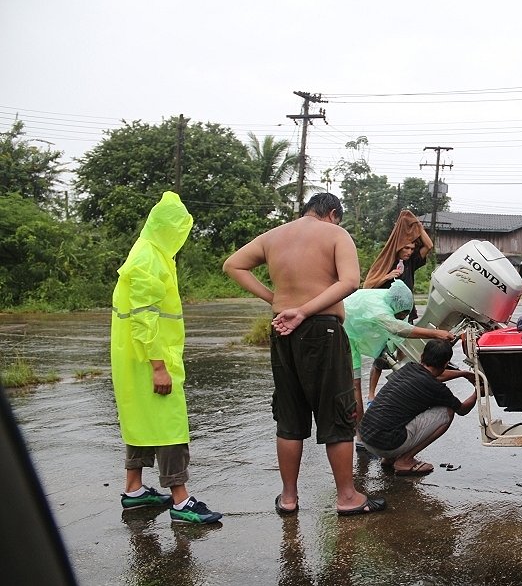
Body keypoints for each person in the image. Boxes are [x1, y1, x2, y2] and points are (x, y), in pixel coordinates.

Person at [222, 193, 385, 516]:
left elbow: (232, 265)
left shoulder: (274, 236)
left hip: (284, 332)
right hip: (322, 329)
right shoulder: (336, 234)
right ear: (333, 213)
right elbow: (350, 281)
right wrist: (304, 310)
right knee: (338, 413)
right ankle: (347, 497)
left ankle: (288, 498)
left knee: (289, 416)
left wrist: (277, 301)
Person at [111, 191, 222, 524]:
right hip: (150, 358)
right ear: (168, 227)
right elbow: (145, 316)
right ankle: (180, 499)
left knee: (141, 422)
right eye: (180, 229)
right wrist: (158, 366)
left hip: (134, 358)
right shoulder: (148, 257)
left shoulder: (150, 252)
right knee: (171, 427)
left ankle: (134, 491)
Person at [340, 280, 456, 428]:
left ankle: (361, 431)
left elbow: (401, 336)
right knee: (355, 384)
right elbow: (398, 328)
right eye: (401, 316)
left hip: (355, 328)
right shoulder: (379, 308)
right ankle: (360, 433)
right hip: (344, 332)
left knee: (358, 381)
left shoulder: (392, 299)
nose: (402, 318)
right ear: (396, 309)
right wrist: (435, 334)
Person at [358, 339, 477, 475]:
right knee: (447, 412)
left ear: (422, 356)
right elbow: (462, 410)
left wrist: (463, 374)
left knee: (399, 411)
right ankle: (405, 461)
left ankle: (389, 459)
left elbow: (434, 376)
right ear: (445, 364)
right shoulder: (435, 388)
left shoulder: (409, 368)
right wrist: (477, 392)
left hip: (366, 437)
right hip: (386, 444)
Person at [362, 210, 434, 403]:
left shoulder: (411, 263)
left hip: (406, 313)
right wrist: (387, 276)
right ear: (398, 248)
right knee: (381, 356)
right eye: (406, 248)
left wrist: (416, 225)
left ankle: (398, 392)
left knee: (404, 353)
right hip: (387, 314)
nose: (409, 252)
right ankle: (371, 395)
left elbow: (429, 245)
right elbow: (367, 285)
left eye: (412, 248)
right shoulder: (387, 263)